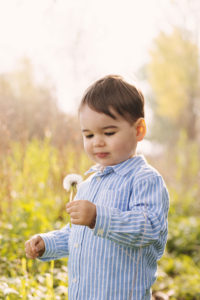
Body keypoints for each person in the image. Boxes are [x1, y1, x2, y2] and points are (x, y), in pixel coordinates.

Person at [25, 75, 169, 300]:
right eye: (88, 135)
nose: (97, 142)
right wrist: (47, 243)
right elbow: (77, 235)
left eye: (109, 133)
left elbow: (149, 228)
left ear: (139, 130)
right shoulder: (89, 183)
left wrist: (97, 217)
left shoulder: (144, 179)